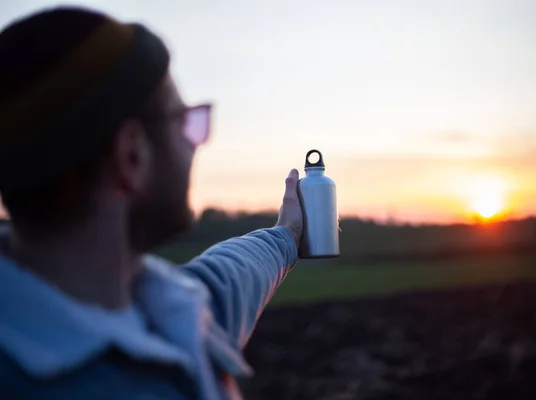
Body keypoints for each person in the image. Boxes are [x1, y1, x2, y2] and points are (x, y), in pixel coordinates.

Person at [0, 6, 314, 399]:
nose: (194, 142)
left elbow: (228, 277)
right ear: (131, 156)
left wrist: (287, 235)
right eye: (185, 122)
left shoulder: (166, 309)